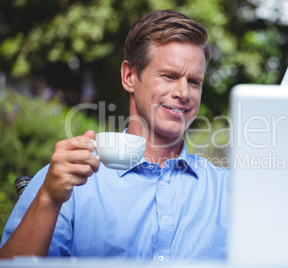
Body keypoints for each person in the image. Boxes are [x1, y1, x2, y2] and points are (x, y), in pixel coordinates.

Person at [0, 10, 229, 262]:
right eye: (169, 76)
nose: (184, 92)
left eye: (194, 81)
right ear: (129, 76)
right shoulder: (68, 179)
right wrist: (48, 199)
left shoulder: (229, 192)